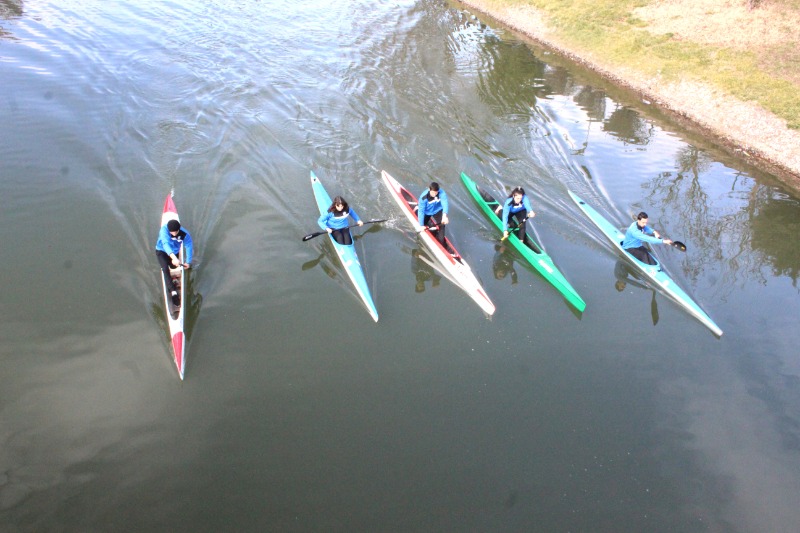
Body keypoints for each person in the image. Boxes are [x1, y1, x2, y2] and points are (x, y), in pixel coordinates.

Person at [155, 219, 193, 306]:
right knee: (165, 268)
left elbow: (189, 246)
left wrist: (188, 262)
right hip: (161, 250)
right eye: (172, 232)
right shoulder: (164, 230)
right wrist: (174, 258)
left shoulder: (185, 234)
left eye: (176, 232)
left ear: (179, 228)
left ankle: (174, 277)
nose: (174, 234)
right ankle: (173, 292)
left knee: (173, 267)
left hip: (175, 251)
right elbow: (165, 244)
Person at [417, 181, 452, 252]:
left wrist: (444, 215)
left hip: (437, 210)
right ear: (429, 190)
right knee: (422, 224)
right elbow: (421, 211)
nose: (435, 194)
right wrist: (421, 225)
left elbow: (445, 203)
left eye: (436, 193)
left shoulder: (442, 193)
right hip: (427, 212)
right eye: (433, 192)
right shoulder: (423, 197)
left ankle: (441, 244)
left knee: (442, 225)